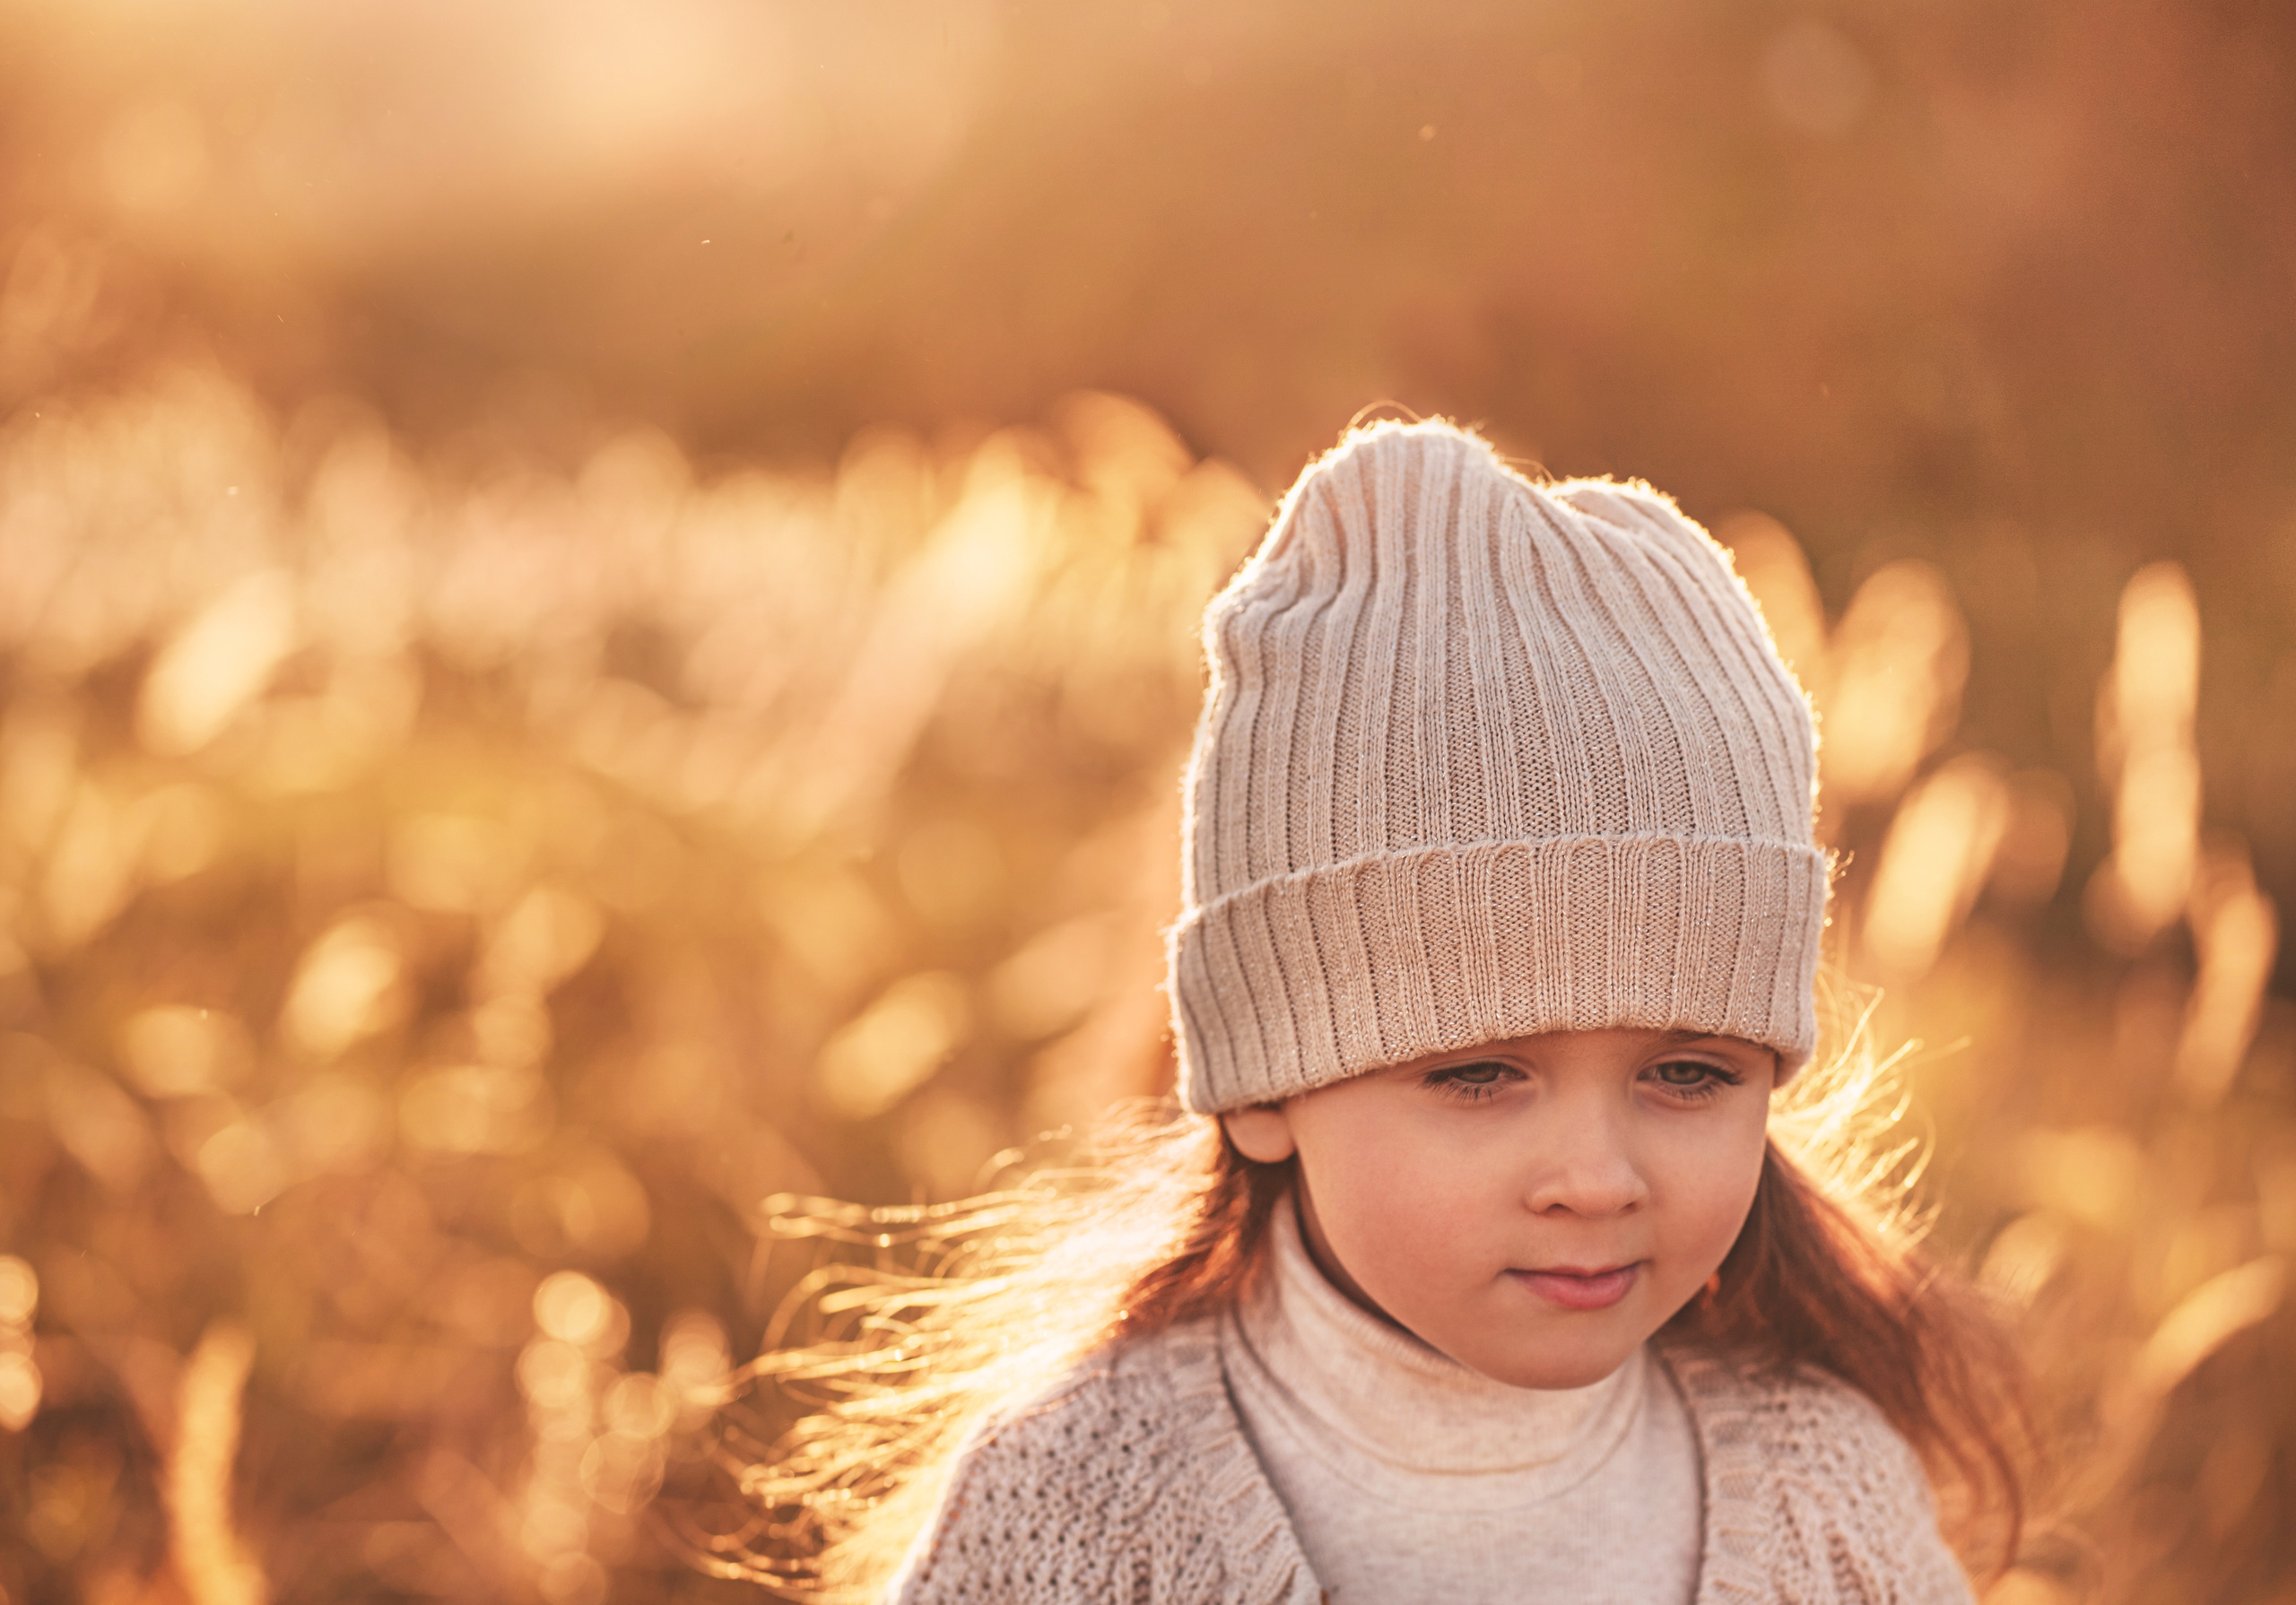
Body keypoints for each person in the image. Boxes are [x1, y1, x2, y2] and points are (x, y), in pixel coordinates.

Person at [736, 419, 2026, 1603]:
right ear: (1259, 1084)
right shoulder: (1076, 1510)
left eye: (1688, 1071)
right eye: (1478, 1073)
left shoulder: (1828, 1497)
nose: (1596, 1174)